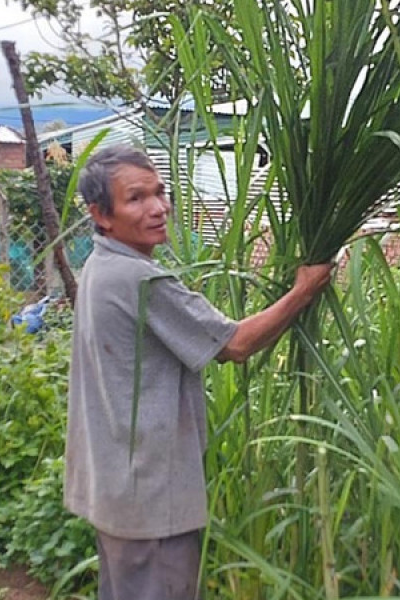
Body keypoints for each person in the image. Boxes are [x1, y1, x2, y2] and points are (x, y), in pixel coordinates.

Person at [64, 145, 332, 600]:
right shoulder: (140, 280)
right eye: (136, 198)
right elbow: (237, 344)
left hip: (116, 488)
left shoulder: (99, 266)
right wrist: (303, 291)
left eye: (160, 192)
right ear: (101, 215)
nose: (157, 208)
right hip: (149, 496)